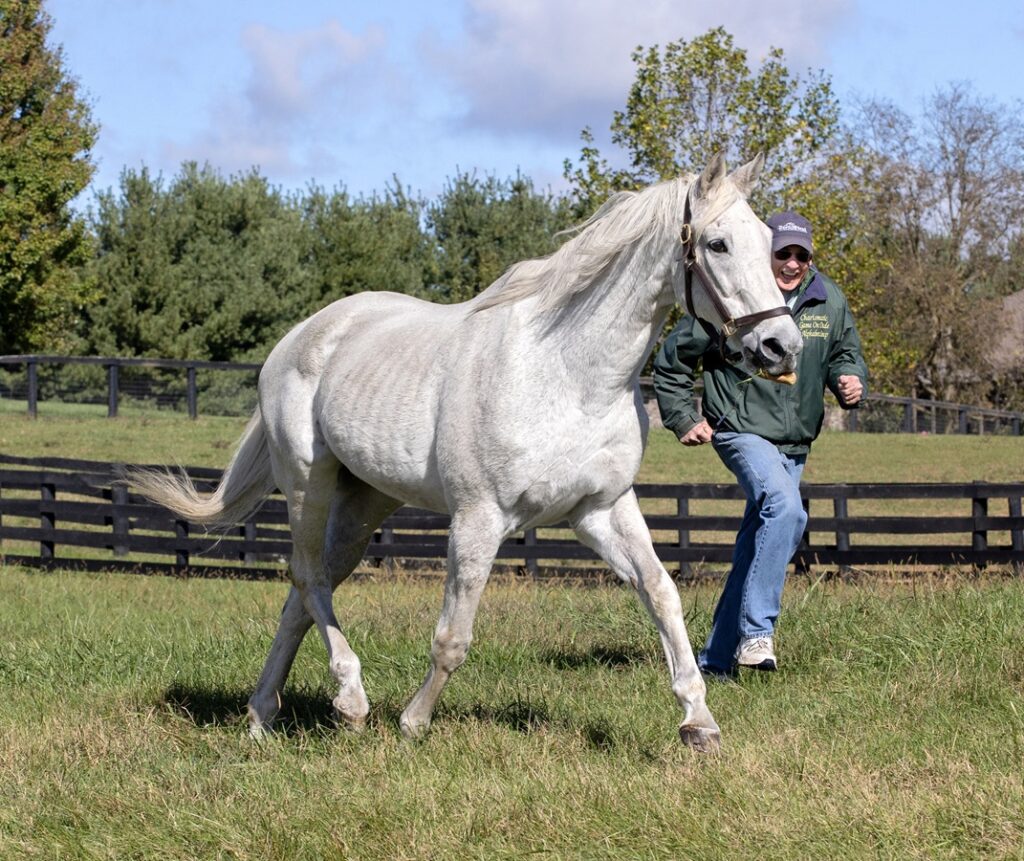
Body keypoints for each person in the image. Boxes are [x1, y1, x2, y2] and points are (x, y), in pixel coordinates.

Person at [653, 211, 868, 676]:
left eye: (800, 254)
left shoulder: (826, 298)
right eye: (782, 253)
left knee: (758, 546)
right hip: (740, 427)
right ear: (766, 253)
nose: (791, 263)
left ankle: (713, 662)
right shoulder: (734, 296)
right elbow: (671, 363)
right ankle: (756, 633)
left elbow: (844, 353)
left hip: (795, 440)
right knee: (787, 511)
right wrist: (682, 417)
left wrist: (851, 380)